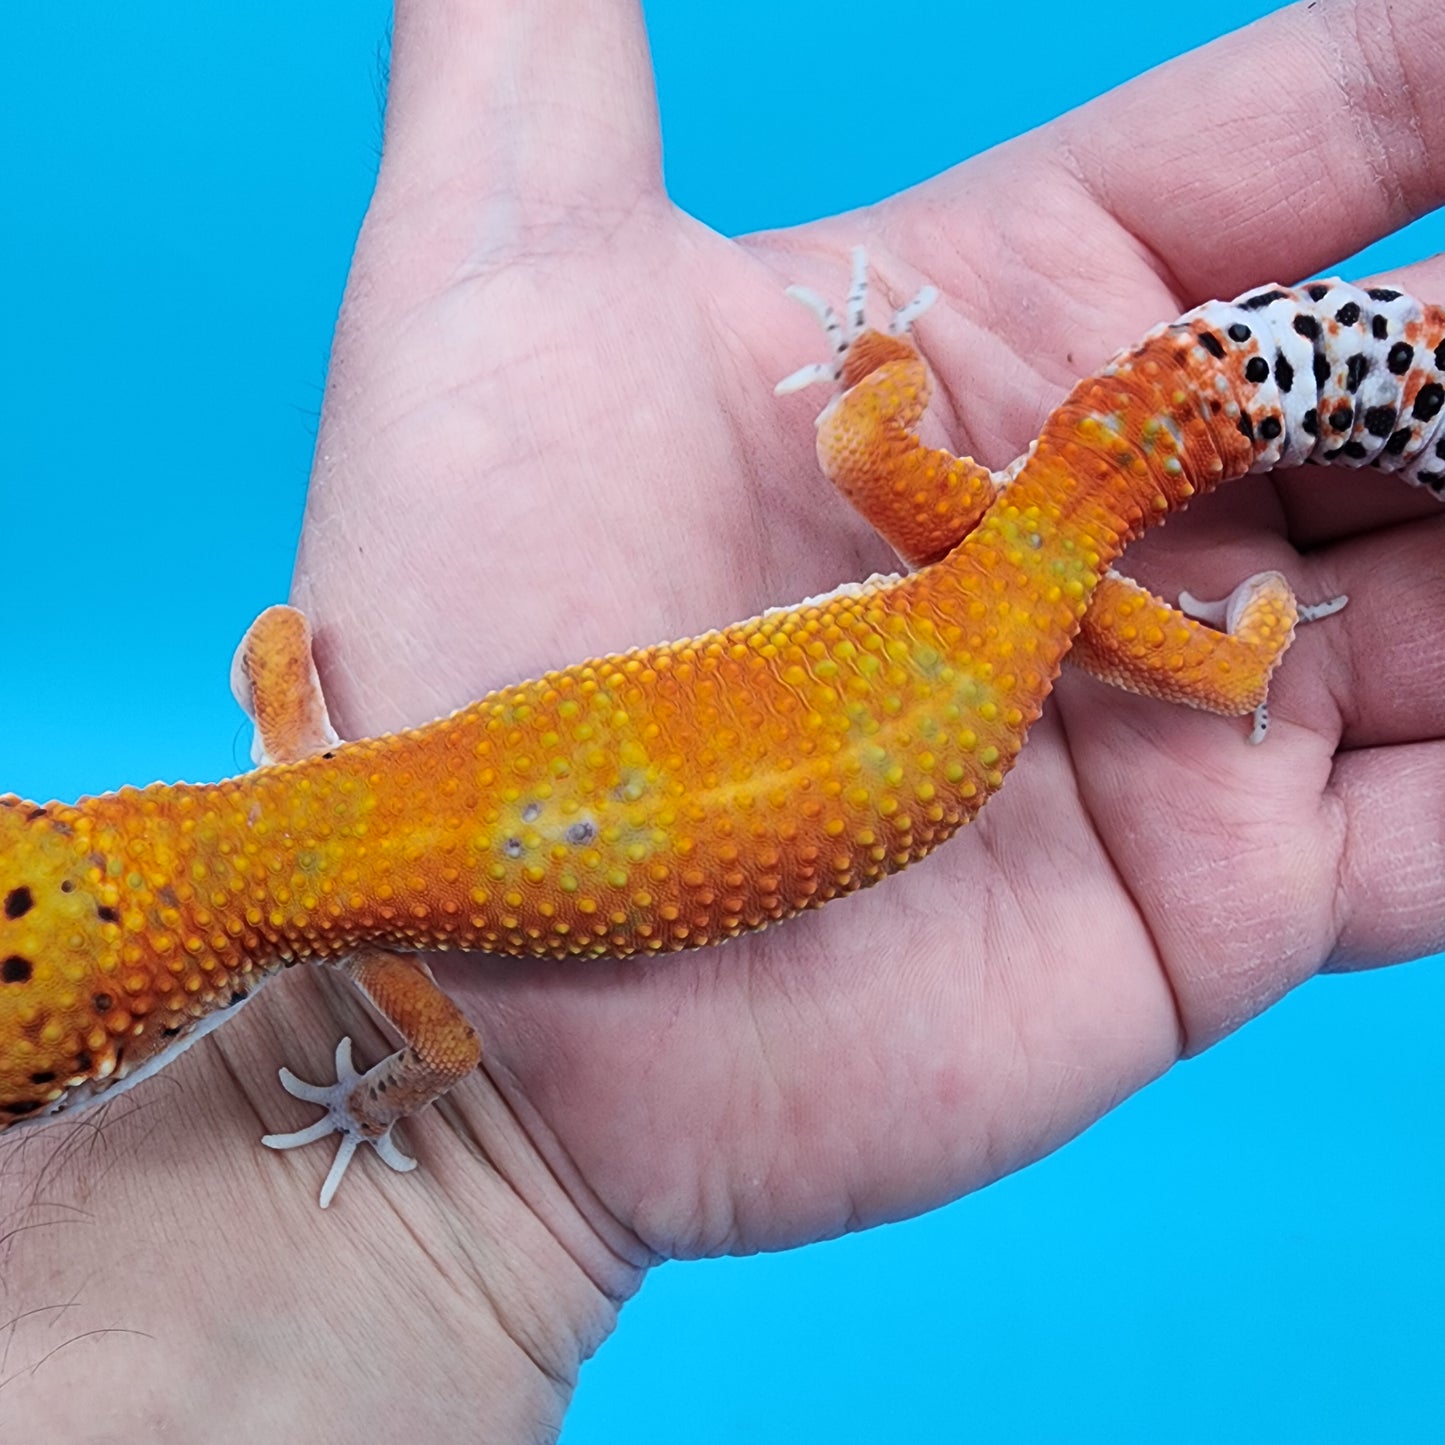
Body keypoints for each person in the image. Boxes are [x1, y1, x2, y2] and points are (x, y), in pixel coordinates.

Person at [9, 1, 1444, 1437]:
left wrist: (378, 1124)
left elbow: (442, 1059)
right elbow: (274, 648)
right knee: (866, 449)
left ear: (137, 1039)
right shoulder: (291, 744)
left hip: (989, 637)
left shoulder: (365, 946)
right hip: (973, 615)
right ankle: (1062, 459)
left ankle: (1243, 653)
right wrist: (286, 756)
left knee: (1124, 597)